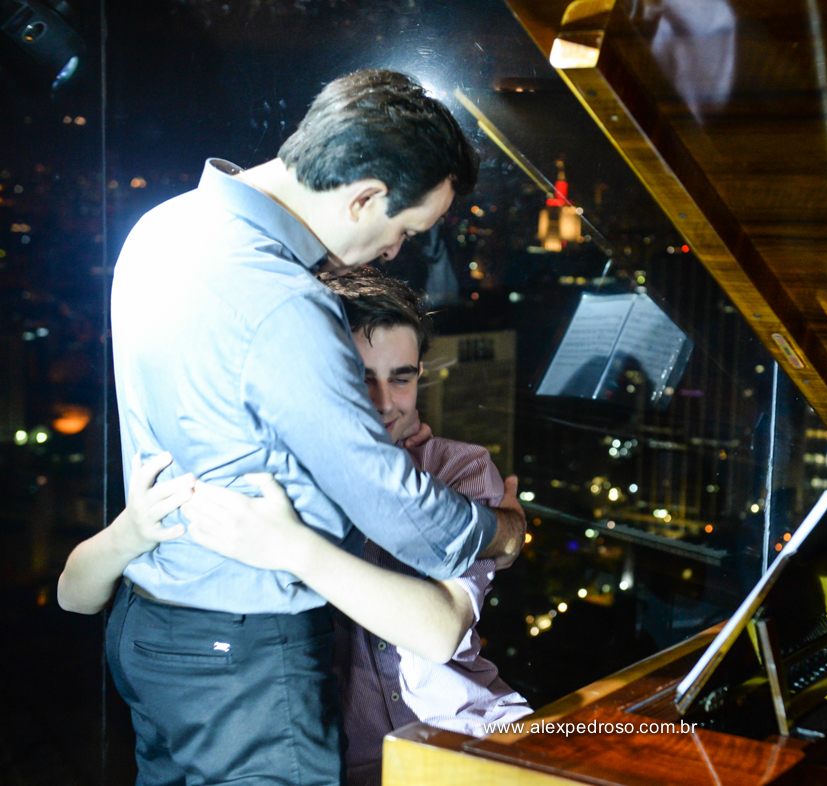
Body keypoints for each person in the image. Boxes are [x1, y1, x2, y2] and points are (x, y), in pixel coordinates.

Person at [84, 69, 524, 785]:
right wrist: (500, 531)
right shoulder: (282, 297)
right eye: (403, 230)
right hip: (244, 653)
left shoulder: (158, 229)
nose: (392, 253)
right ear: (365, 197)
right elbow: (384, 494)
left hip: (154, 629)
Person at [183, 268, 532, 785]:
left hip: (472, 735)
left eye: (402, 377)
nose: (385, 402)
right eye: (361, 377)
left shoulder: (459, 469)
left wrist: (505, 531)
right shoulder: (283, 479)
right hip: (342, 763)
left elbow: (442, 632)